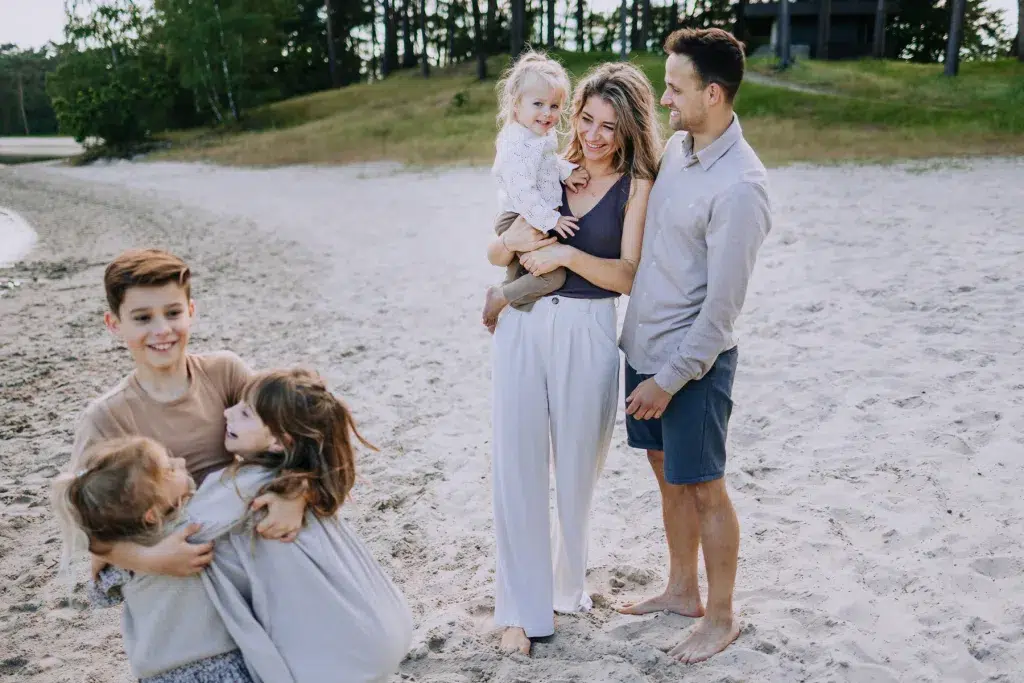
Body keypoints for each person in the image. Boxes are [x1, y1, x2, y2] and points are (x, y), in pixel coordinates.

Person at [53, 368, 413, 683]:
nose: (226, 411)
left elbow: (177, 534)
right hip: (380, 620)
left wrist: (113, 548)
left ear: (278, 440)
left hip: (344, 649)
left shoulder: (241, 488)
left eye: (243, 412)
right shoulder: (298, 478)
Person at [485, 61, 662, 655]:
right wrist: (521, 244)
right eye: (585, 119)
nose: (592, 135)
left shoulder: (637, 186)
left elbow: (626, 274)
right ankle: (520, 610)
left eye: (608, 126)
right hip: (524, 326)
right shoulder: (545, 166)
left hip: (588, 330)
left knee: (578, 472)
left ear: (630, 129)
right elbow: (494, 245)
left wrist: (563, 260)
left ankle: (566, 585)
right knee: (517, 464)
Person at [616, 28, 772, 664]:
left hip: (693, 369)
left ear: (713, 93)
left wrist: (670, 379)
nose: (664, 98)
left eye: (675, 88)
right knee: (668, 478)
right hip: (644, 350)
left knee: (705, 485)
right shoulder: (678, 150)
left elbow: (720, 312)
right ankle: (682, 591)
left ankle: (722, 615)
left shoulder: (742, 187)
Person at [67, 248, 306, 579]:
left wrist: (298, 494)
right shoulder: (108, 416)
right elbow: (85, 524)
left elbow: (294, 435)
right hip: (177, 560)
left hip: (244, 533)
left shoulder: (225, 372)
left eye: (173, 312)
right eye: (142, 318)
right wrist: (152, 560)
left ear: (191, 311)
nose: (162, 329)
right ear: (114, 324)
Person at [481, 50, 590, 330]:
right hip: (522, 216)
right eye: (538, 104)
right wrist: (551, 220)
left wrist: (567, 172)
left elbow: (548, 163)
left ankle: (503, 308)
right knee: (551, 277)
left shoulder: (536, 136)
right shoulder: (516, 145)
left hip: (531, 214)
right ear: (516, 106)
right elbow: (523, 192)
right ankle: (501, 298)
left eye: (554, 106)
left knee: (522, 272)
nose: (547, 113)